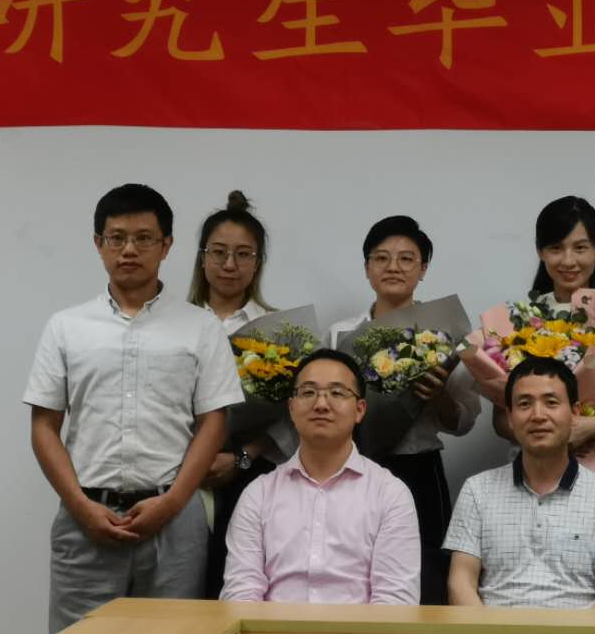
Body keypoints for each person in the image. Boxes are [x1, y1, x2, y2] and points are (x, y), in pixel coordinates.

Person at [24, 184, 243, 633]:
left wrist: (174, 501)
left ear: (167, 245)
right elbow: (44, 426)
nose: (129, 250)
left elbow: (213, 421)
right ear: (98, 243)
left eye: (144, 238)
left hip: (173, 520)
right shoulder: (66, 327)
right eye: (116, 237)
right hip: (86, 518)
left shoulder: (200, 327)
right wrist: (80, 506)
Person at [328, 215, 481, 605]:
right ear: (367, 268)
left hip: (419, 468)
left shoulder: (443, 331)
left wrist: (439, 397)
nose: (393, 267)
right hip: (353, 468)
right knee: (351, 567)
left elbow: (464, 420)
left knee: (425, 571)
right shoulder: (340, 334)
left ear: (423, 268)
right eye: (381, 258)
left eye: (406, 259)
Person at [221, 349, 420, 605]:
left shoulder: (389, 494)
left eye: (337, 393)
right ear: (291, 408)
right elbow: (240, 594)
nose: (321, 404)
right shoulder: (258, 494)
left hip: (360, 632)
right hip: (272, 631)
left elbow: (395, 602)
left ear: (359, 410)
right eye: (308, 392)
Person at [492, 196, 595, 503]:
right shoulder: (517, 322)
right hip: (531, 475)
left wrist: (588, 428)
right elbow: (501, 419)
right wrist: (547, 435)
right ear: (540, 251)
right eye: (556, 248)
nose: (568, 260)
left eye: (581, 247)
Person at [446, 358, 595, 608]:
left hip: (580, 630)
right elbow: (460, 583)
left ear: (575, 413)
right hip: (494, 629)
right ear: (510, 416)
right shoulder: (477, 490)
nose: (538, 415)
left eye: (551, 402)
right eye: (524, 404)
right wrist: (489, 631)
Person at [187, 190, 297, 598]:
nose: (229, 265)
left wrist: (243, 455)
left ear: (258, 263)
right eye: (218, 252)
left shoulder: (280, 330)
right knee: (182, 592)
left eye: (243, 254)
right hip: (179, 477)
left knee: (242, 586)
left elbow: (294, 414)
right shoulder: (172, 323)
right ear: (202, 258)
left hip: (253, 476)